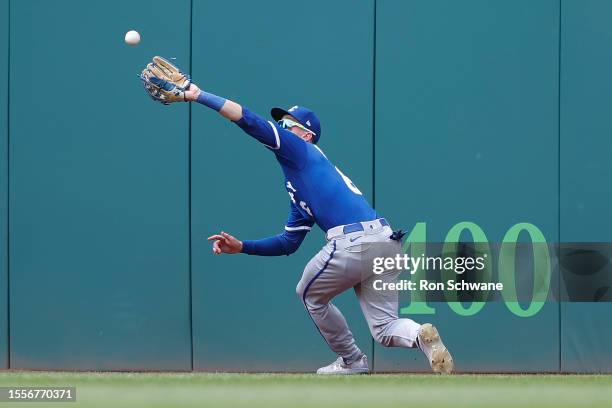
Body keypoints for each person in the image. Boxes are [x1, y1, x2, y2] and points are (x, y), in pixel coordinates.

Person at [183, 82, 454, 375]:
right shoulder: (301, 185)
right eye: (281, 123)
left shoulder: (300, 150)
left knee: (309, 294)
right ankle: (421, 336)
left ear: (307, 135)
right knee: (385, 329)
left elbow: (249, 120)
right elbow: (288, 243)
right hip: (385, 242)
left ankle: (352, 361)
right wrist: (244, 247)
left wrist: (199, 96)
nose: (282, 127)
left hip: (354, 242)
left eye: (289, 124)